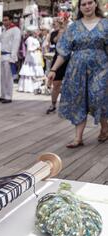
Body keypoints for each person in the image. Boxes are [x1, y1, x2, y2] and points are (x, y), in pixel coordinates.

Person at [47, 0, 107, 148]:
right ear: (79, 8)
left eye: (89, 3)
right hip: (77, 69)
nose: (87, 6)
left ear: (95, 4)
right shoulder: (73, 27)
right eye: (83, 4)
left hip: (101, 68)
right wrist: (53, 70)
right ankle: (78, 138)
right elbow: (63, 52)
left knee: (98, 98)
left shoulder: (105, 24)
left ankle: (105, 128)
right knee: (78, 100)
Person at [0, 14, 22, 103]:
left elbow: (16, 44)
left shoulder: (16, 30)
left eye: (6, 20)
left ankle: (8, 96)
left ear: (10, 20)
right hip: (2, 56)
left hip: (9, 56)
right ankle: (3, 95)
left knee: (8, 78)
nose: (4, 22)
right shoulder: (5, 30)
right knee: (2, 77)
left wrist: (13, 57)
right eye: (3, 20)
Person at [45, 17, 69, 114]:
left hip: (69, 58)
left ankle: (68, 105)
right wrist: (61, 31)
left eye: (56, 22)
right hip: (57, 57)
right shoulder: (53, 33)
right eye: (53, 22)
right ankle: (53, 104)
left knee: (69, 83)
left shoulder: (69, 31)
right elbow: (57, 41)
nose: (54, 23)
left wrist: (65, 29)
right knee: (56, 83)